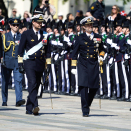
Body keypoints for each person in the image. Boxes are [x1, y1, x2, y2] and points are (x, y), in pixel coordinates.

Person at [71, 16, 105, 117]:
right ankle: (85, 110)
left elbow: (102, 49)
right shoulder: (80, 37)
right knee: (84, 87)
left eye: (91, 25)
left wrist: (101, 57)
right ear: (84, 27)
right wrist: (73, 67)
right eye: (88, 25)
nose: (90, 26)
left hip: (94, 64)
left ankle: (87, 103)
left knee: (94, 87)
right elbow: (74, 52)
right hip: (83, 64)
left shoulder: (98, 37)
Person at [18, 14, 51, 115]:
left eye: (41, 22)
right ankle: (35, 106)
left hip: (40, 63)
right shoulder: (26, 34)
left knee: (36, 85)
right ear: (33, 22)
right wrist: (20, 63)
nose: (40, 24)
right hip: (29, 62)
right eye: (38, 22)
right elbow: (20, 49)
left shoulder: (45, 34)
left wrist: (48, 64)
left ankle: (29, 107)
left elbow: (48, 51)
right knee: (32, 83)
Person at [1, 18, 25, 106]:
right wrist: (2, 60)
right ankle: (4, 100)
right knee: (5, 82)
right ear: (10, 25)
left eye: (17, 25)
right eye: (14, 25)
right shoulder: (5, 36)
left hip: (17, 62)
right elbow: (2, 50)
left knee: (18, 81)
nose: (16, 26)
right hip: (7, 62)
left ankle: (19, 100)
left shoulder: (21, 36)